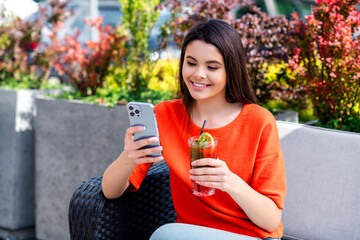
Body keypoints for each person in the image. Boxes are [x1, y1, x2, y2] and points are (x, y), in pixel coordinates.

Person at [101, 19, 286, 240]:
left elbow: (271, 220)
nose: (198, 74)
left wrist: (229, 182)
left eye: (212, 67)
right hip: (189, 234)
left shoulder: (259, 121)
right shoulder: (165, 116)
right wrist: (128, 158)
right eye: (191, 63)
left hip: (251, 236)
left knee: (164, 235)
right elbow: (109, 191)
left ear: (231, 70)